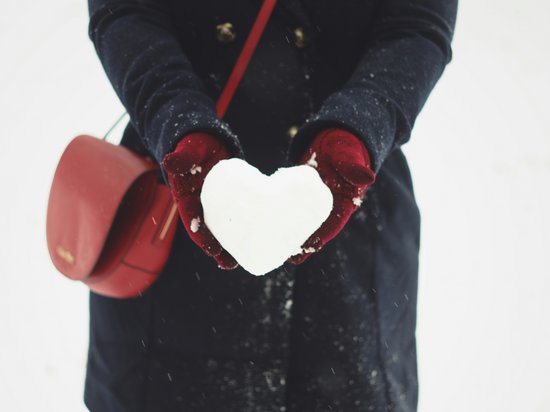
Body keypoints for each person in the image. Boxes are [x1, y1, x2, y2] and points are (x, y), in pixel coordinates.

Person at [85, 0, 457, 411]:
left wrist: (359, 130)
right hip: (176, 206)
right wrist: (178, 124)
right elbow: (124, 11)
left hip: (352, 222)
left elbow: (417, 25)